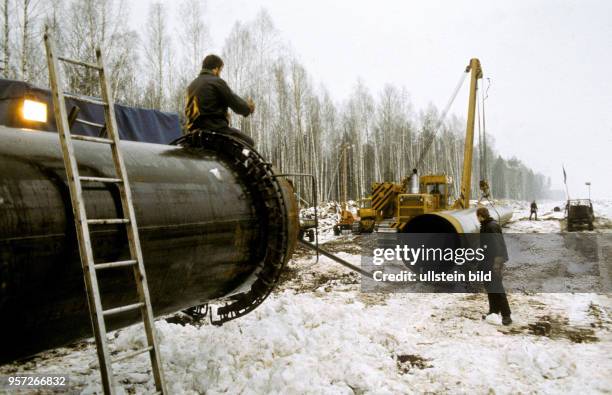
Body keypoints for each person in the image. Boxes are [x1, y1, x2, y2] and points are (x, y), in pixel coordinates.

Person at [185, 54, 256, 146]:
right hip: (215, 130)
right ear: (215, 69)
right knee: (249, 142)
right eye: (220, 70)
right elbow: (235, 103)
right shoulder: (217, 82)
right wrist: (248, 108)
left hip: (194, 133)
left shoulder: (191, 86)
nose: (220, 73)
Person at [476, 206, 512, 325]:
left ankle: (506, 315)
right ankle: (493, 311)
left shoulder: (492, 226)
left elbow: (498, 246)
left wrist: (497, 264)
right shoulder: (486, 226)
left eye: (478, 216)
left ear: (481, 216)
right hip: (487, 261)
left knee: (497, 287)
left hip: (494, 262)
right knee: (490, 287)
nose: (477, 219)